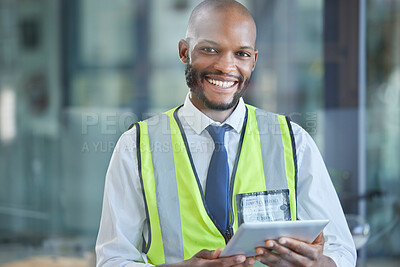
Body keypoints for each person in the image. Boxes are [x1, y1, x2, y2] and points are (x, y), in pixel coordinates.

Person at [95, 0, 357, 266]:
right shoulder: (136, 146)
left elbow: (342, 249)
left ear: (253, 61)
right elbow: (113, 259)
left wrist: (320, 264)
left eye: (241, 54)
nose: (226, 66)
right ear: (184, 51)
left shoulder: (294, 141)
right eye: (210, 49)